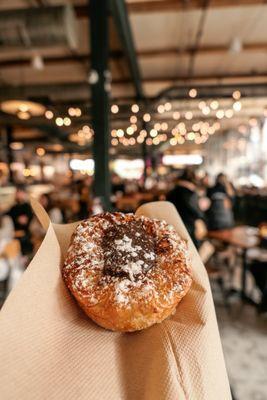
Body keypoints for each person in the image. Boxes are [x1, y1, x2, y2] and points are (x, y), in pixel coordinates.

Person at [166, 169, 204, 248]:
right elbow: (192, 208)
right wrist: (200, 218)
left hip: (174, 224)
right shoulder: (189, 192)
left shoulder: (172, 191)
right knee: (192, 247)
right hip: (188, 224)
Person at [7, 186, 33, 255]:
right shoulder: (13, 207)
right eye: (17, 192)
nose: (17, 194)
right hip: (13, 233)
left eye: (19, 192)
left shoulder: (27, 206)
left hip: (24, 235)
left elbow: (24, 221)